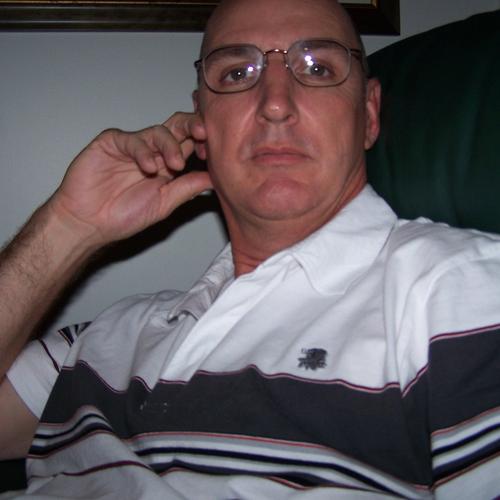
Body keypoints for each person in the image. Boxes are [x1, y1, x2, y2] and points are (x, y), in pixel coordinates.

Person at [0, 0, 499, 497]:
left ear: (368, 114)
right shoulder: (110, 335)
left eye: (318, 68)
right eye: (238, 73)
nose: (275, 103)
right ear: (202, 124)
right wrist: (68, 226)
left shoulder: (463, 295)